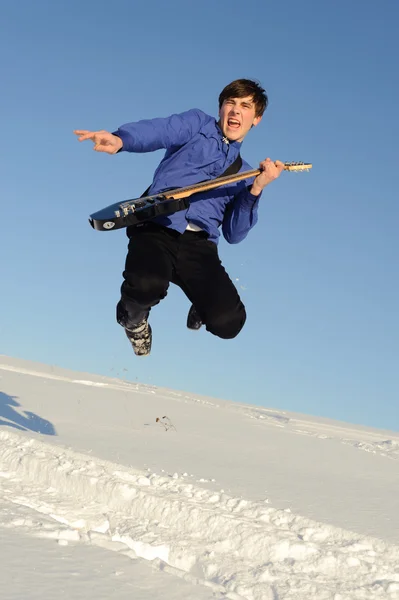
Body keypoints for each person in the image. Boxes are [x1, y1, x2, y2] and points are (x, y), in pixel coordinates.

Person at [74, 78, 284, 357]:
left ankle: (201, 301)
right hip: (158, 225)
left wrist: (256, 189)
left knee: (228, 323)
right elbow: (159, 130)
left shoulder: (244, 174)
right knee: (147, 285)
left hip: (199, 246)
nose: (235, 111)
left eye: (245, 106)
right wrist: (121, 139)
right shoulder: (197, 124)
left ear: (256, 118)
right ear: (221, 108)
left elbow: (235, 234)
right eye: (230, 103)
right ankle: (133, 322)